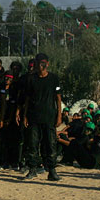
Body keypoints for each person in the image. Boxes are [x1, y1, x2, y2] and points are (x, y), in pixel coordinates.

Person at [21, 53, 62, 181]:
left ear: (47, 64)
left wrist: (59, 115)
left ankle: (52, 170)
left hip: (49, 116)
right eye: (38, 63)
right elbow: (27, 99)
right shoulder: (31, 79)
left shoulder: (54, 78)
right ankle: (32, 169)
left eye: (43, 63)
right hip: (33, 117)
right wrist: (25, 116)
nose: (41, 65)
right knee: (32, 144)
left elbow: (58, 98)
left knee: (51, 144)